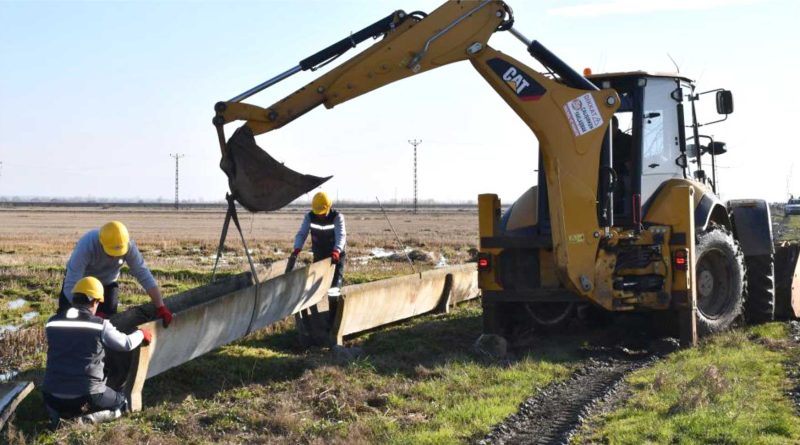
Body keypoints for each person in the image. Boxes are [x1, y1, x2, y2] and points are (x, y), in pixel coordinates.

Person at [43, 276, 152, 422]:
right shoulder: (100, 325)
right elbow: (126, 344)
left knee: (62, 400)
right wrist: (141, 333)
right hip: (87, 395)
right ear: (95, 301)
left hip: (51, 396)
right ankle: (87, 420)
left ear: (74, 299)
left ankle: (57, 417)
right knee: (121, 402)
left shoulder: (52, 322)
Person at [58, 221, 172, 325]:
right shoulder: (87, 245)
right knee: (67, 320)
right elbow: (71, 284)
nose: (113, 256)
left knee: (108, 322)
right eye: (110, 252)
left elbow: (143, 274)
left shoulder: (129, 246)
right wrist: (87, 315)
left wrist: (160, 306)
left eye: (118, 253)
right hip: (81, 286)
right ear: (101, 242)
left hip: (107, 284)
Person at [290, 191, 346, 298]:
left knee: (334, 290)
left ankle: (333, 313)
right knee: (314, 287)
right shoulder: (309, 217)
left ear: (328, 207)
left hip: (335, 256)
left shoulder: (337, 217)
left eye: (322, 212)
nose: (320, 215)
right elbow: (302, 234)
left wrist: (337, 250)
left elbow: (341, 236)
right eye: (318, 213)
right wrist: (297, 248)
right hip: (319, 254)